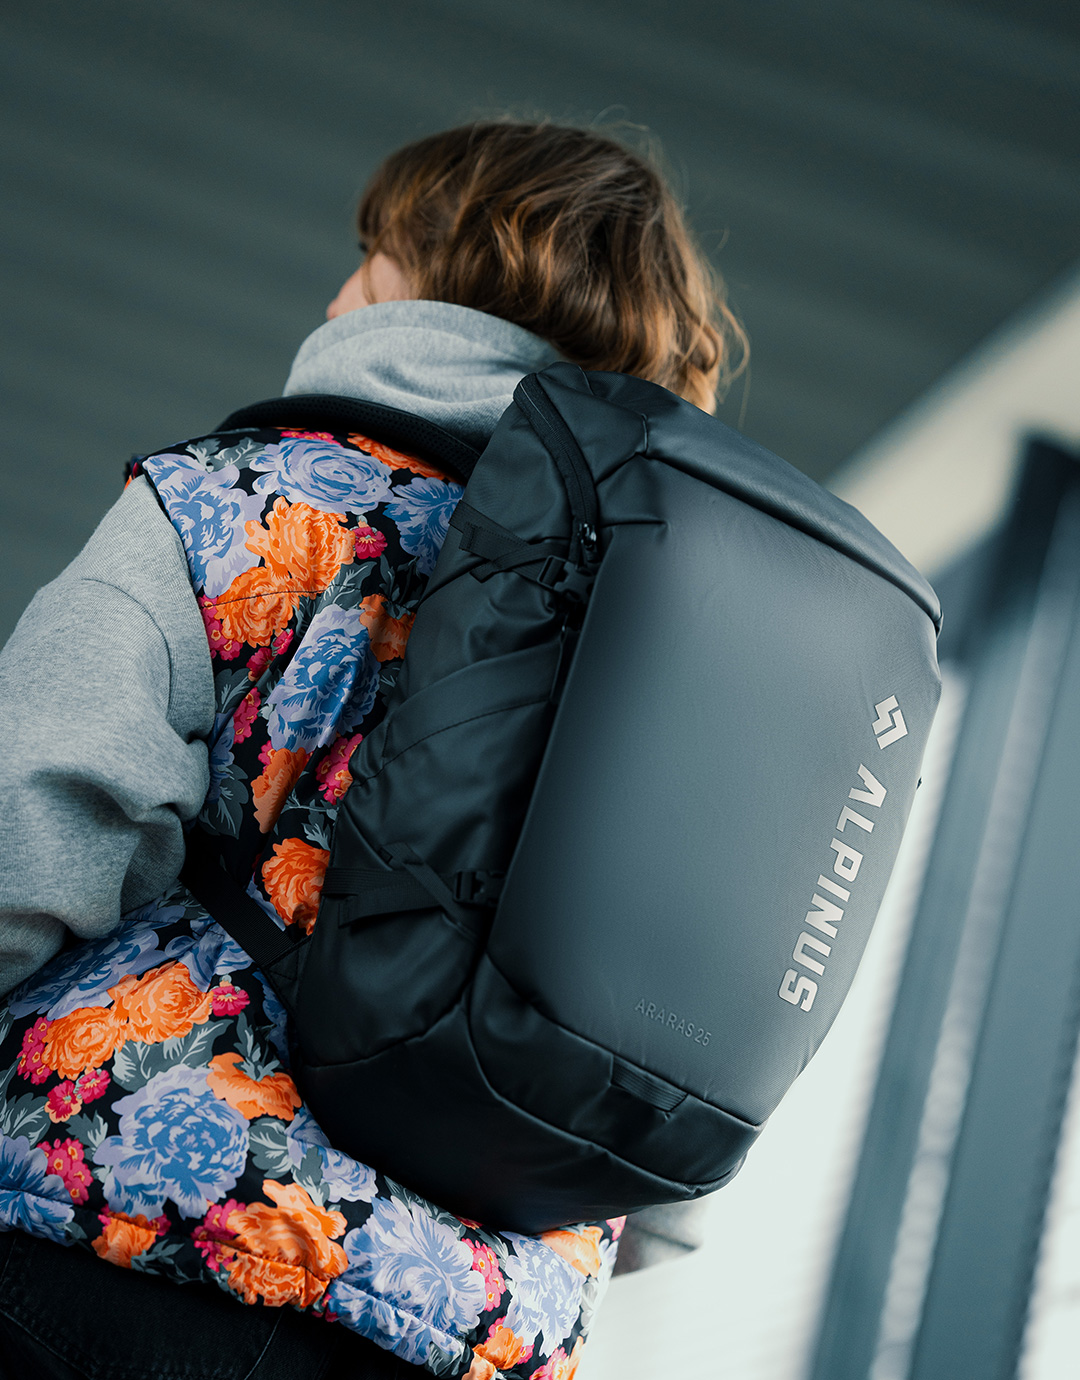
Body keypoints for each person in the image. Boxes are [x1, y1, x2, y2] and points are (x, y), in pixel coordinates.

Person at [0, 119, 746, 1379]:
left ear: (433, 268)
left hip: (118, 1243)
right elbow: (685, 1050)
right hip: (473, 1325)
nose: (338, 289)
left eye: (367, 249)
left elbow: (31, 828)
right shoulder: (685, 644)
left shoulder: (236, 501)